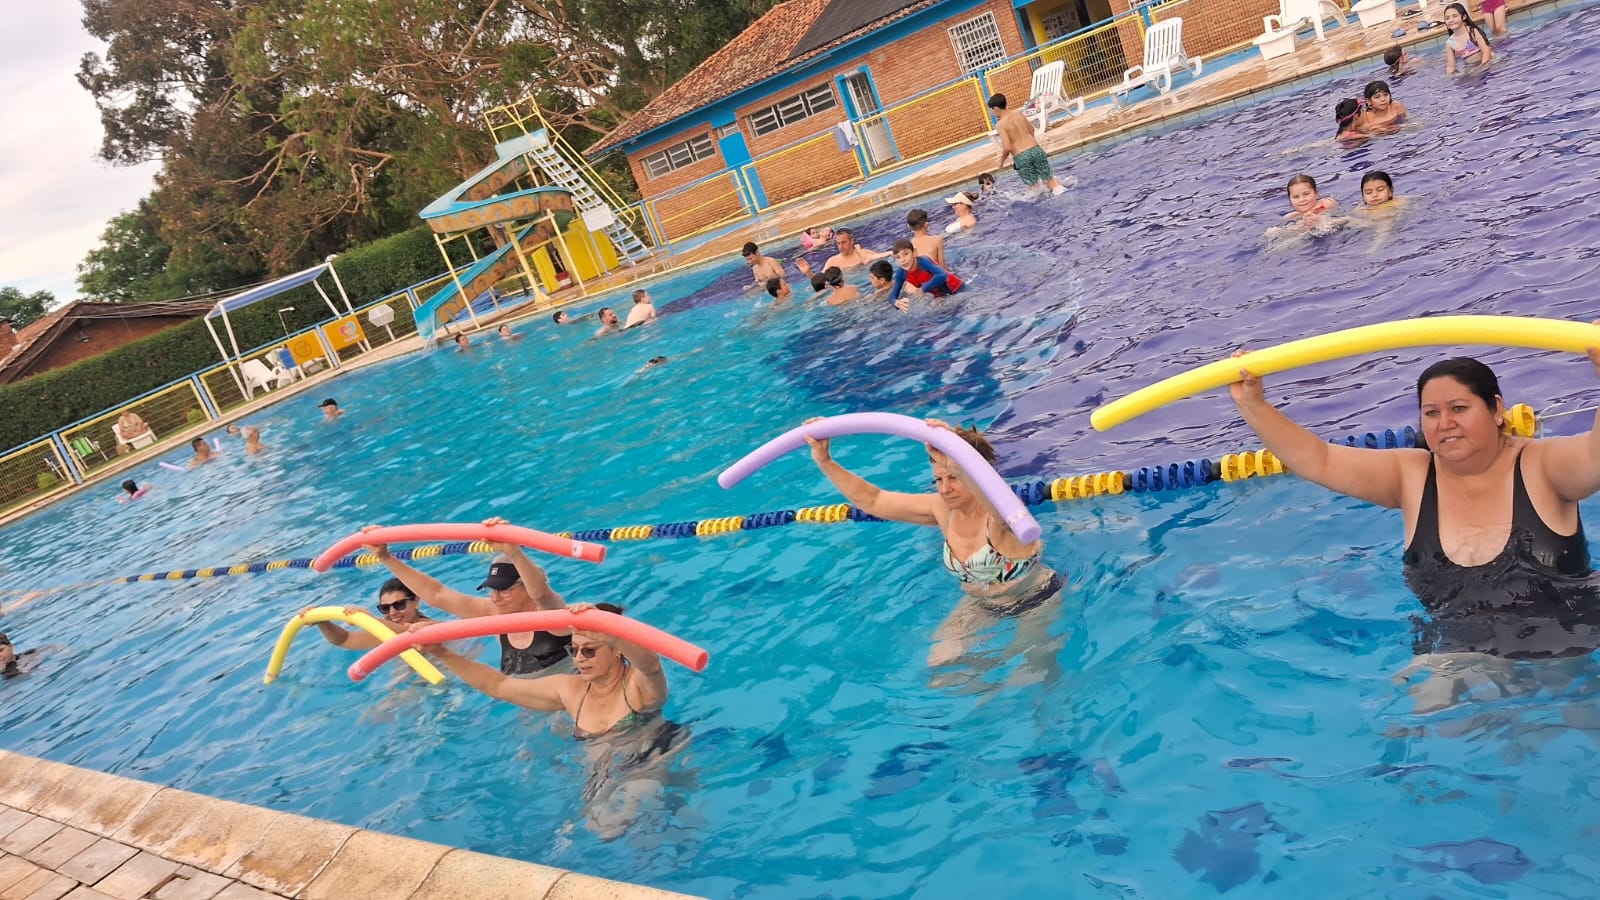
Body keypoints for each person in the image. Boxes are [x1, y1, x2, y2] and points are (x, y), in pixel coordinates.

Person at [1228, 353, 1600, 705]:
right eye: (1431, 413)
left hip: (1572, 654)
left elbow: (1594, 456)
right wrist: (1253, 406)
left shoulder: (1542, 466)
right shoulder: (1411, 476)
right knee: (1419, 719)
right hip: (1456, 651)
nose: (1444, 423)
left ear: (1496, 409)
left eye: (1459, 408)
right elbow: (1319, 460)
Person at [805, 420, 1062, 665]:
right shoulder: (942, 509)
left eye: (953, 477)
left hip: (1035, 599)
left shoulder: (1003, 511)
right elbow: (874, 500)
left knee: (1032, 671)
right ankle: (991, 683)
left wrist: (960, 465)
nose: (944, 488)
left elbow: (999, 507)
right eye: (939, 479)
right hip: (982, 604)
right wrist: (825, 461)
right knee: (941, 666)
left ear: (977, 473)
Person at [413, 602, 680, 838]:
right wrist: (443, 653)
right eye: (574, 649)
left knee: (612, 825)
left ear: (617, 650)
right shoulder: (571, 690)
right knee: (589, 830)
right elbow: (498, 685)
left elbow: (651, 665)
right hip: (601, 776)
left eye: (590, 650)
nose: (579, 659)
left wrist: (610, 633)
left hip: (650, 763)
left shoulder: (638, 687)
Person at [364, 520, 572, 676]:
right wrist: (385, 557)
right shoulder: (495, 613)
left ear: (525, 586)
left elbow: (540, 592)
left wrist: (514, 552)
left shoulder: (551, 612)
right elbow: (437, 594)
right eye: (492, 589)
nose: (496, 597)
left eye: (504, 589)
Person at [309, 578, 433, 651]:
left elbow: (409, 634)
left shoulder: (431, 627)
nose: (392, 612)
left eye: (399, 604)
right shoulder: (386, 634)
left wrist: (371, 620)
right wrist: (323, 622)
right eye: (385, 608)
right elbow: (343, 639)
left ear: (416, 601)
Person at [987, 93, 1067, 198]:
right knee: (1051, 181)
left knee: (1035, 190)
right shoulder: (1019, 114)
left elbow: (1007, 147)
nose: (992, 113)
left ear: (996, 109)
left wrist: (1001, 162)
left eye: (992, 110)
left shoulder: (1000, 125)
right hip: (1035, 149)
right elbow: (1032, 130)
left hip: (1021, 156)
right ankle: (1065, 194)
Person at [888, 239, 964, 312]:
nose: (902, 260)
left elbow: (942, 275)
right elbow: (893, 295)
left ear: (914, 253)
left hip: (957, 289)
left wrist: (923, 289)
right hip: (941, 296)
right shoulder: (901, 273)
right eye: (898, 257)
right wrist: (895, 302)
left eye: (906, 254)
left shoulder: (923, 261)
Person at [1443, 3, 1493, 74]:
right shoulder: (1450, 43)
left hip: (1488, 61)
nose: (1451, 20)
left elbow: (1486, 50)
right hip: (1472, 67)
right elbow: (1451, 67)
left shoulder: (1472, 31)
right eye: (1447, 18)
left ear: (1464, 17)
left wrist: (1482, 67)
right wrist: (1451, 75)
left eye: (1455, 16)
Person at [820, 228, 887, 272]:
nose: (841, 246)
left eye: (843, 242)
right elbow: (819, 281)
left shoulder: (865, 254)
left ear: (852, 241)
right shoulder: (832, 262)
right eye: (838, 243)